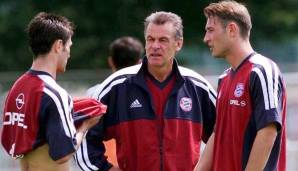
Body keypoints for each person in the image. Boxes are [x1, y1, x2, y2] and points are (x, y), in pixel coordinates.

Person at [75, 11, 216, 171]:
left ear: (178, 44)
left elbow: (224, 136)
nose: (155, 46)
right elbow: (85, 137)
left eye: (163, 40)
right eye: (150, 39)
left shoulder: (198, 87)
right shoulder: (117, 86)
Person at [1, 12, 102, 171]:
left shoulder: (17, 87)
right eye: (69, 47)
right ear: (58, 46)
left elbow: (11, 142)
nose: (69, 53)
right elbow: (63, 154)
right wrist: (85, 126)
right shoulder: (54, 94)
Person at [195, 1, 287, 171]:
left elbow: (268, 131)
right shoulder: (224, 78)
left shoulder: (261, 71)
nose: (205, 38)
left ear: (231, 30)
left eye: (210, 30)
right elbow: (217, 132)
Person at [86, 36, 144, 166]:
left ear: (110, 61)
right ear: (140, 62)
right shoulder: (146, 95)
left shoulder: (94, 94)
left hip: (103, 165)